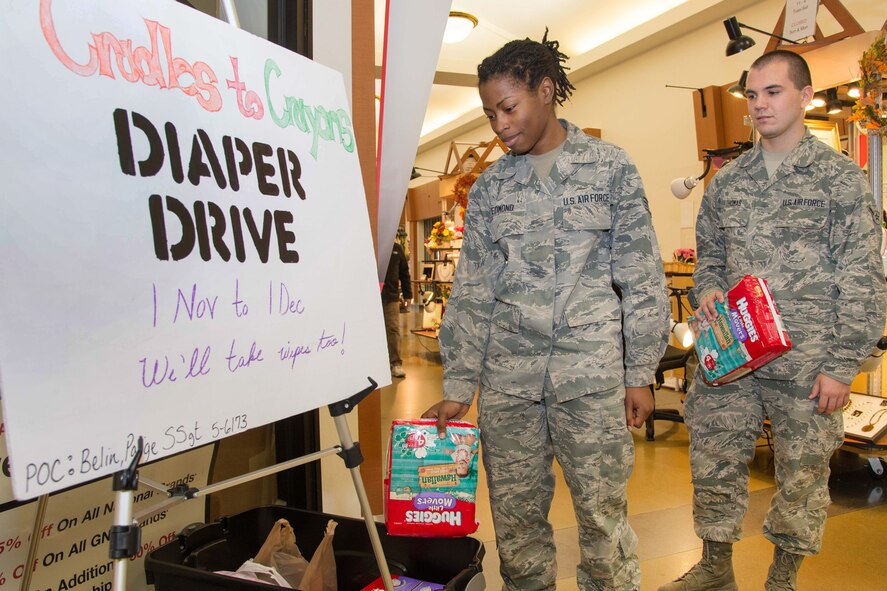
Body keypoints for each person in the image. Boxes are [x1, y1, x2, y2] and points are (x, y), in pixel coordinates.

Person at [422, 31, 669, 591]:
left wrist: (640, 374)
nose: (500, 125)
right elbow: (473, 291)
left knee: (603, 523)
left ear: (547, 89)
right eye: (489, 114)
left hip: (592, 379)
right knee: (516, 528)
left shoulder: (610, 169)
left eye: (509, 107)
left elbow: (641, 277)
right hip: (509, 384)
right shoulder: (488, 190)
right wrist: (460, 383)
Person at [660, 50, 886, 591]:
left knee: (802, 477)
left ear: (805, 97)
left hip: (806, 364)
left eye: (774, 92)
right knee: (713, 458)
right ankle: (716, 568)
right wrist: (708, 286)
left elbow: (864, 278)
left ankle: (782, 580)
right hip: (732, 354)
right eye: (752, 95)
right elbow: (709, 255)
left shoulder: (840, 180)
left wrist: (840, 366)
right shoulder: (729, 182)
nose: (760, 105)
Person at [382, 239, 412, 378]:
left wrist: (408, 295)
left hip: (391, 296)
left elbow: (404, 273)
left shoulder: (397, 249)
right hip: (370, 298)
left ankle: (395, 363)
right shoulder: (372, 245)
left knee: (393, 329)